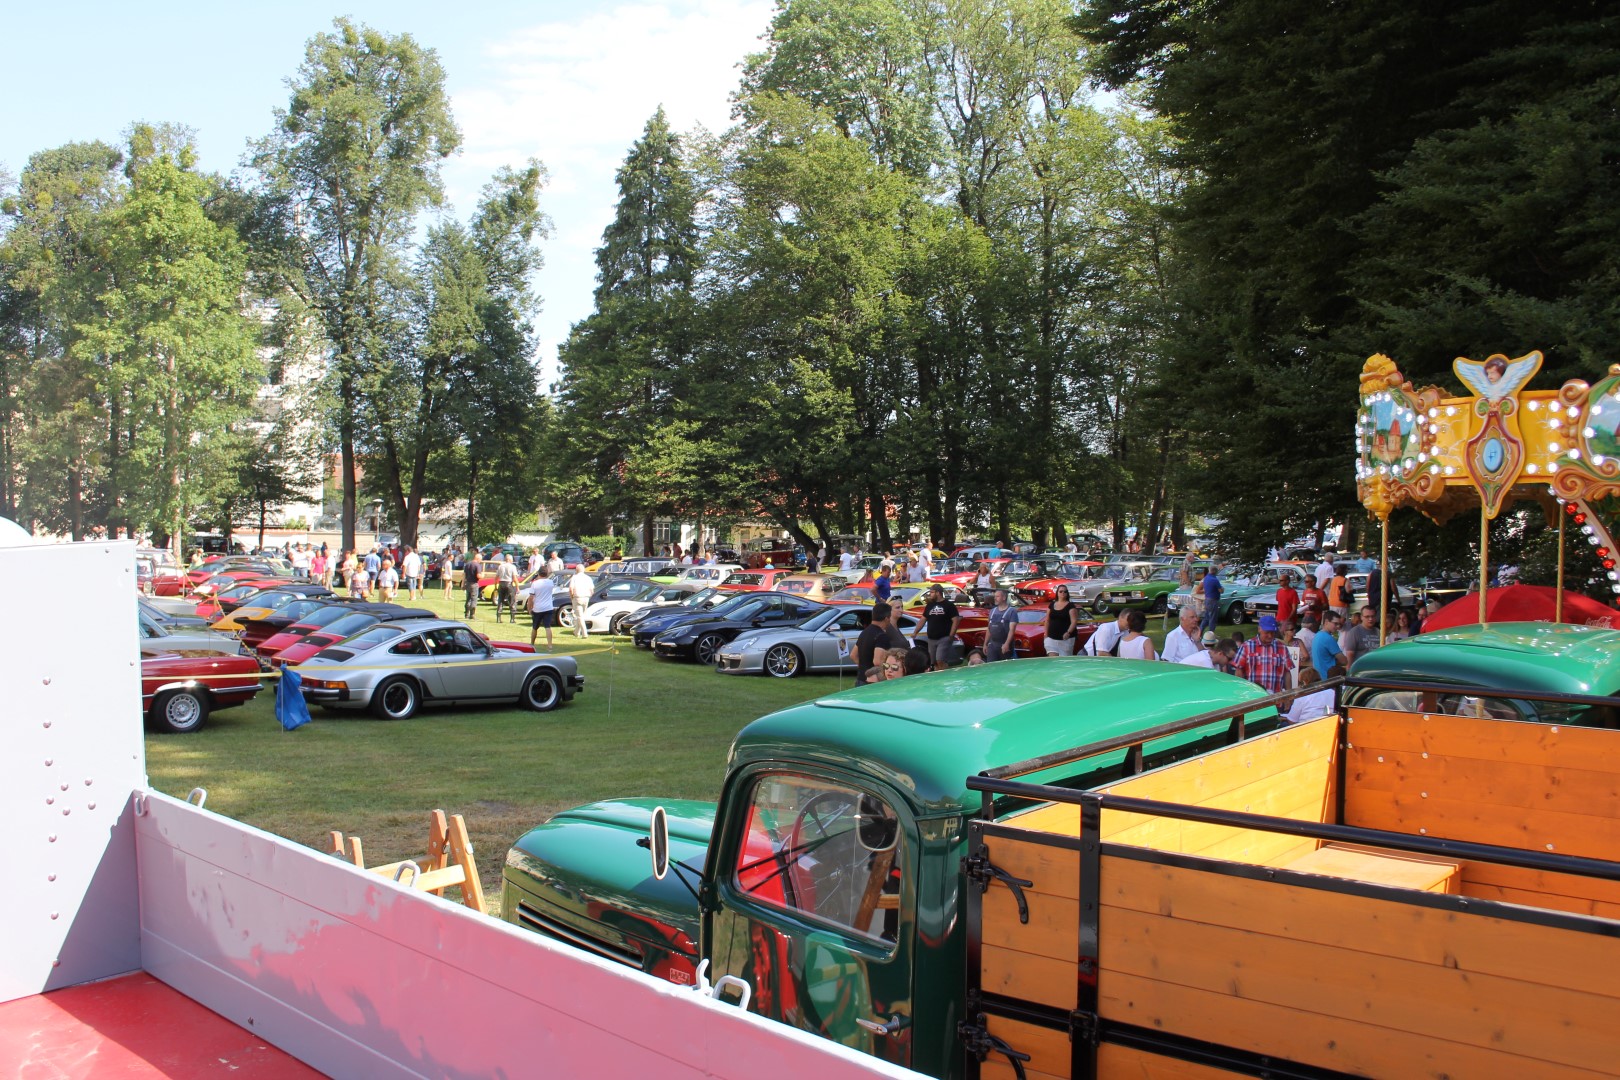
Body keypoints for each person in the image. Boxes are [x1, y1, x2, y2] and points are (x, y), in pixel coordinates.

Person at [1233, 614, 1293, 693]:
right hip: (1253, 697)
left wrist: (1289, 695)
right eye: (1267, 632)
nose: (1270, 635)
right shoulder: (1246, 646)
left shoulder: (1282, 647)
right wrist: (1240, 693)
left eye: (1272, 632)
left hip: (1276, 699)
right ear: (1259, 629)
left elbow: (1287, 673)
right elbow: (1238, 672)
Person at [854, 602, 908, 685]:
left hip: (860, 678)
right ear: (887, 619)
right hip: (872, 682)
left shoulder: (864, 632)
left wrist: (863, 668)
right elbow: (877, 661)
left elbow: (853, 655)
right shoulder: (881, 636)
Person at [920, 584, 960, 671]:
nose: (930, 594)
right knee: (933, 662)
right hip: (931, 638)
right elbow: (923, 619)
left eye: (932, 592)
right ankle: (938, 678)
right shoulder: (929, 606)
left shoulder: (949, 605)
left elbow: (956, 620)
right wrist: (915, 632)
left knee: (940, 660)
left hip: (944, 637)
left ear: (938, 593)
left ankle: (945, 677)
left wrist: (951, 635)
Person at [523, 568, 557, 650]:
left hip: (538, 608)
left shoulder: (535, 584)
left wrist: (529, 608)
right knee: (547, 627)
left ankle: (532, 643)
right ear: (547, 574)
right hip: (548, 607)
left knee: (535, 627)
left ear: (539, 574)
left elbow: (531, 598)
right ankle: (550, 645)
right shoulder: (550, 582)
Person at [1043, 584, 1079, 656]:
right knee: (1053, 659)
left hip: (1066, 639)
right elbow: (1047, 620)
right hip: (1051, 638)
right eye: (1061, 591)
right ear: (1057, 593)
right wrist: (1046, 635)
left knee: (1064, 661)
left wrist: (1068, 632)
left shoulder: (1070, 606)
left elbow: (1074, 621)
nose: (1063, 593)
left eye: (1065, 592)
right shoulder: (1052, 605)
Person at [1311, 610, 1349, 675]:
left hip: (1318, 676)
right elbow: (1344, 661)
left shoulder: (1317, 635)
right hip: (1328, 677)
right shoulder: (1328, 638)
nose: (1338, 626)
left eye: (1339, 624)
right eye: (1335, 623)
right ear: (1326, 622)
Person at [985, 589, 1017, 662]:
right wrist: (985, 644)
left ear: (1004, 598)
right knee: (991, 667)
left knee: (1004, 668)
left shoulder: (1011, 611)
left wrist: (1007, 644)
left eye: (997, 596)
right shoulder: (992, 611)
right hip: (992, 645)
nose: (995, 598)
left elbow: (1012, 630)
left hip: (1004, 645)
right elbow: (989, 629)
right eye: (994, 597)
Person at [568, 566, 595, 638]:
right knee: (581, 616)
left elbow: (571, 588)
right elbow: (592, 590)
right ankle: (576, 632)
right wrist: (589, 596)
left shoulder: (574, 577)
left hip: (577, 597)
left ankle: (584, 633)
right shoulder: (588, 578)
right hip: (586, 597)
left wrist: (571, 596)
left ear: (576, 570)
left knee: (580, 616)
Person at [494, 555, 520, 623]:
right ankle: (512, 619)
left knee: (500, 600)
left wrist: (495, 586)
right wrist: (517, 587)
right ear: (510, 560)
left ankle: (498, 618)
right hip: (509, 583)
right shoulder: (512, 567)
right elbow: (514, 578)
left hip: (501, 583)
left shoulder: (500, 566)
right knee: (512, 601)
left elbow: (496, 577)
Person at [1200, 564, 1223, 635]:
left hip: (1207, 599)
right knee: (1213, 618)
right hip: (1213, 600)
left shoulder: (1206, 578)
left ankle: (1200, 631)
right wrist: (1222, 588)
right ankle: (1211, 634)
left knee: (1206, 617)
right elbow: (1221, 590)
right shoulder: (1214, 580)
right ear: (1214, 571)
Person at [463, 551, 483, 620]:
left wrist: (463, 584)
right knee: (474, 599)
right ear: (478, 559)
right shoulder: (477, 565)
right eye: (480, 559)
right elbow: (478, 576)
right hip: (474, 583)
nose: (480, 561)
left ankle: (466, 613)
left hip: (467, 583)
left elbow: (464, 575)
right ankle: (472, 615)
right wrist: (483, 575)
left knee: (468, 599)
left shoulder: (467, 564)